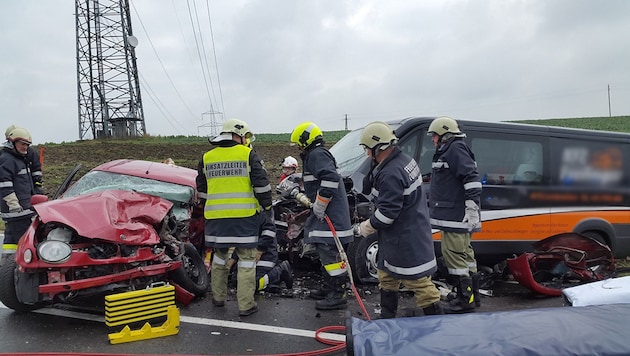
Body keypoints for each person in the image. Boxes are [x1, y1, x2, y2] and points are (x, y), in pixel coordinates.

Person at [356, 121, 444, 318]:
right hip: (402, 234)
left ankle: (438, 324)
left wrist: (365, 227)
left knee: (419, 283)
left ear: (378, 147)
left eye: (367, 149)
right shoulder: (403, 160)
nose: (366, 153)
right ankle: (387, 319)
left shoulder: (391, 173)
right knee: (386, 276)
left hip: (406, 238)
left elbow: (387, 214)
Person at [196, 118, 274, 317]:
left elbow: (202, 190)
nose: (246, 140)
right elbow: (262, 186)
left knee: (220, 257)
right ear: (238, 135)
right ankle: (246, 305)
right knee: (247, 260)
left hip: (215, 219)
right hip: (244, 218)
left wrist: (210, 207)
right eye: (245, 136)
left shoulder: (206, 157)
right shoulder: (248, 155)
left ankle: (218, 298)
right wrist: (266, 207)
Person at [288, 121, 353, 310]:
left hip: (331, 216)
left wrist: (321, 203)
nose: (298, 147)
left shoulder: (316, 154)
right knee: (325, 253)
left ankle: (338, 294)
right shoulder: (315, 155)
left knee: (331, 255)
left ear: (305, 140)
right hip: (327, 216)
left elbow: (330, 179)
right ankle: (329, 288)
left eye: (299, 143)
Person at [427, 116, 482, 313]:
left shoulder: (454, 149)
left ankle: (464, 300)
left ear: (444, 134)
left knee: (454, 256)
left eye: (434, 136)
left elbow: (471, 178)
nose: (433, 140)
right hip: (456, 215)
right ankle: (472, 296)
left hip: (456, 216)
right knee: (466, 256)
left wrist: (471, 206)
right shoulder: (452, 149)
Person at [0, 127, 37, 264]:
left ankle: (7, 266)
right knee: (25, 243)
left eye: (27, 145)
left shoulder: (19, 159)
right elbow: (4, 184)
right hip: (17, 212)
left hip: (18, 212)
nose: (25, 147)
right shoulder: (8, 160)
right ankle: (22, 273)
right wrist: (13, 204)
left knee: (11, 242)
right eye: (22, 144)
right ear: (11, 143)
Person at [4, 124, 44, 194]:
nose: (25, 147)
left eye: (26, 144)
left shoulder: (30, 153)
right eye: (22, 144)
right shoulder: (6, 157)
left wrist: (37, 184)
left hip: (28, 189)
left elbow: (36, 169)